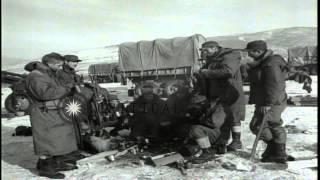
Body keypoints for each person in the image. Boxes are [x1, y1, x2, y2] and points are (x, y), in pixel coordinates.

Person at [25, 52, 78, 178]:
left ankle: (56, 163)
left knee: (57, 138)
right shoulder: (36, 76)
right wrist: (66, 89)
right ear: (49, 64)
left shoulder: (48, 74)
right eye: (58, 65)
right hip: (43, 112)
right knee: (46, 140)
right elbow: (44, 94)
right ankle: (45, 168)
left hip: (52, 111)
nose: (60, 68)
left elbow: (54, 88)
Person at [243, 40, 288, 163]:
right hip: (264, 101)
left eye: (250, 52)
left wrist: (268, 103)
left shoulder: (271, 63)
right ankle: (274, 148)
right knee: (256, 126)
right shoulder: (261, 63)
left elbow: (274, 85)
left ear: (258, 51)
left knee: (272, 124)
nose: (248, 55)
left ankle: (278, 152)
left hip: (272, 101)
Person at [197, 41, 245, 153]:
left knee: (234, 117)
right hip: (219, 94)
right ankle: (222, 142)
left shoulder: (229, 56)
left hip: (231, 92)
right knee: (222, 119)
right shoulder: (213, 58)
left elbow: (228, 72)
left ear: (214, 48)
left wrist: (207, 72)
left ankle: (237, 141)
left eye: (206, 50)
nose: (204, 52)